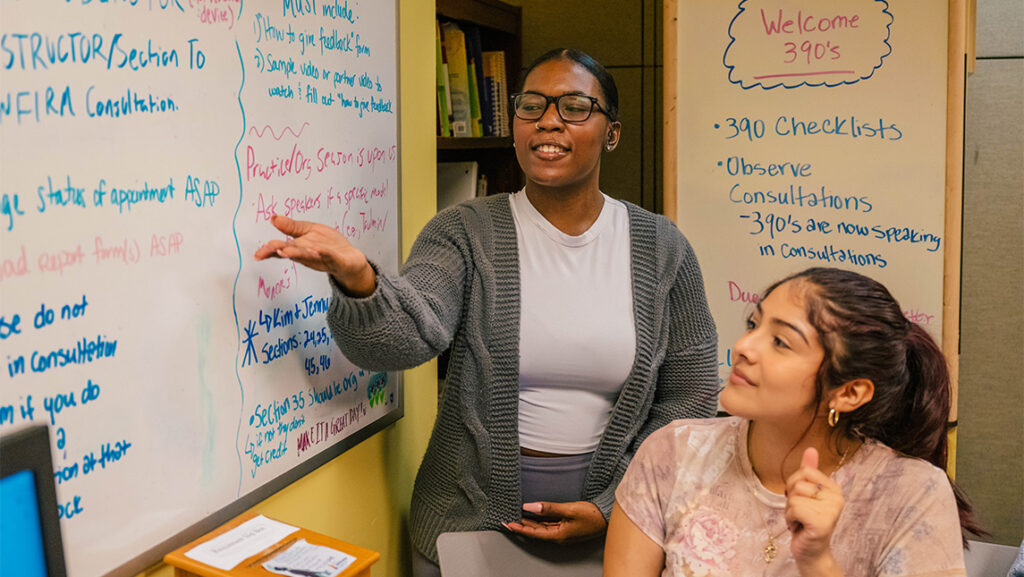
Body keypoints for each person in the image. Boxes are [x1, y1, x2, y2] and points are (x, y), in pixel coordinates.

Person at [254, 48, 719, 576]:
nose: (548, 120)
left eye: (573, 106)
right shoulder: (463, 231)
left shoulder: (662, 248)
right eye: (532, 106)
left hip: (620, 533)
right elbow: (403, 339)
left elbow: (691, 396)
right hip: (466, 526)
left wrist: (612, 505)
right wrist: (359, 279)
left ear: (611, 132)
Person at [605, 267, 984, 577]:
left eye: (781, 342)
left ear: (849, 392)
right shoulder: (673, 451)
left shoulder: (912, 493)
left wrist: (818, 561)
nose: (743, 347)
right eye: (754, 325)